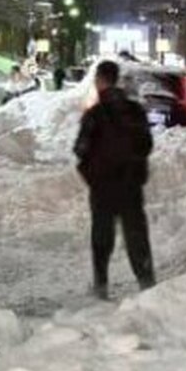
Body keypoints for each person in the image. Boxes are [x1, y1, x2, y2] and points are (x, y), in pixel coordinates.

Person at [73, 60, 156, 298]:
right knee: (136, 234)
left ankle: (101, 285)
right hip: (131, 184)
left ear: (100, 80)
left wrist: (89, 172)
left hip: (103, 186)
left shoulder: (95, 114)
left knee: (102, 234)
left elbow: (81, 148)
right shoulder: (136, 111)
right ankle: (147, 283)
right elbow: (146, 144)